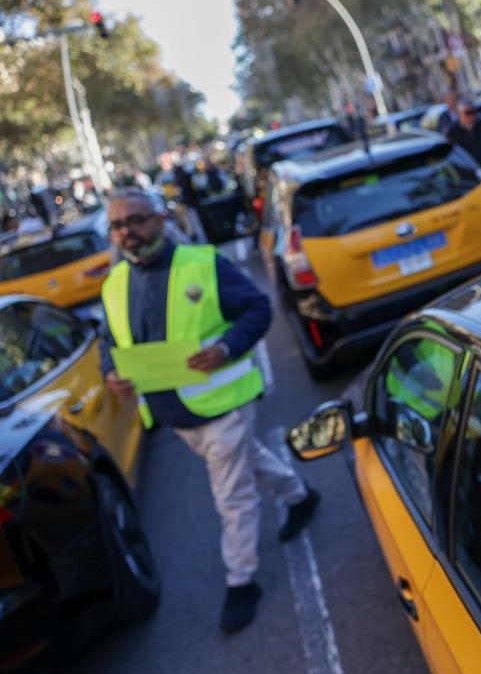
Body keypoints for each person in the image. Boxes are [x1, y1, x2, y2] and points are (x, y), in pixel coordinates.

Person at [99, 188, 320, 634]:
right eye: (118, 225)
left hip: (225, 406)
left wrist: (225, 347)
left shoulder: (203, 263)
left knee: (232, 495)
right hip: (173, 412)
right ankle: (299, 496)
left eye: (136, 220)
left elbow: (257, 309)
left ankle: (242, 582)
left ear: (160, 219)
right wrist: (110, 372)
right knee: (245, 461)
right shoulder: (114, 282)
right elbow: (109, 340)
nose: (128, 232)